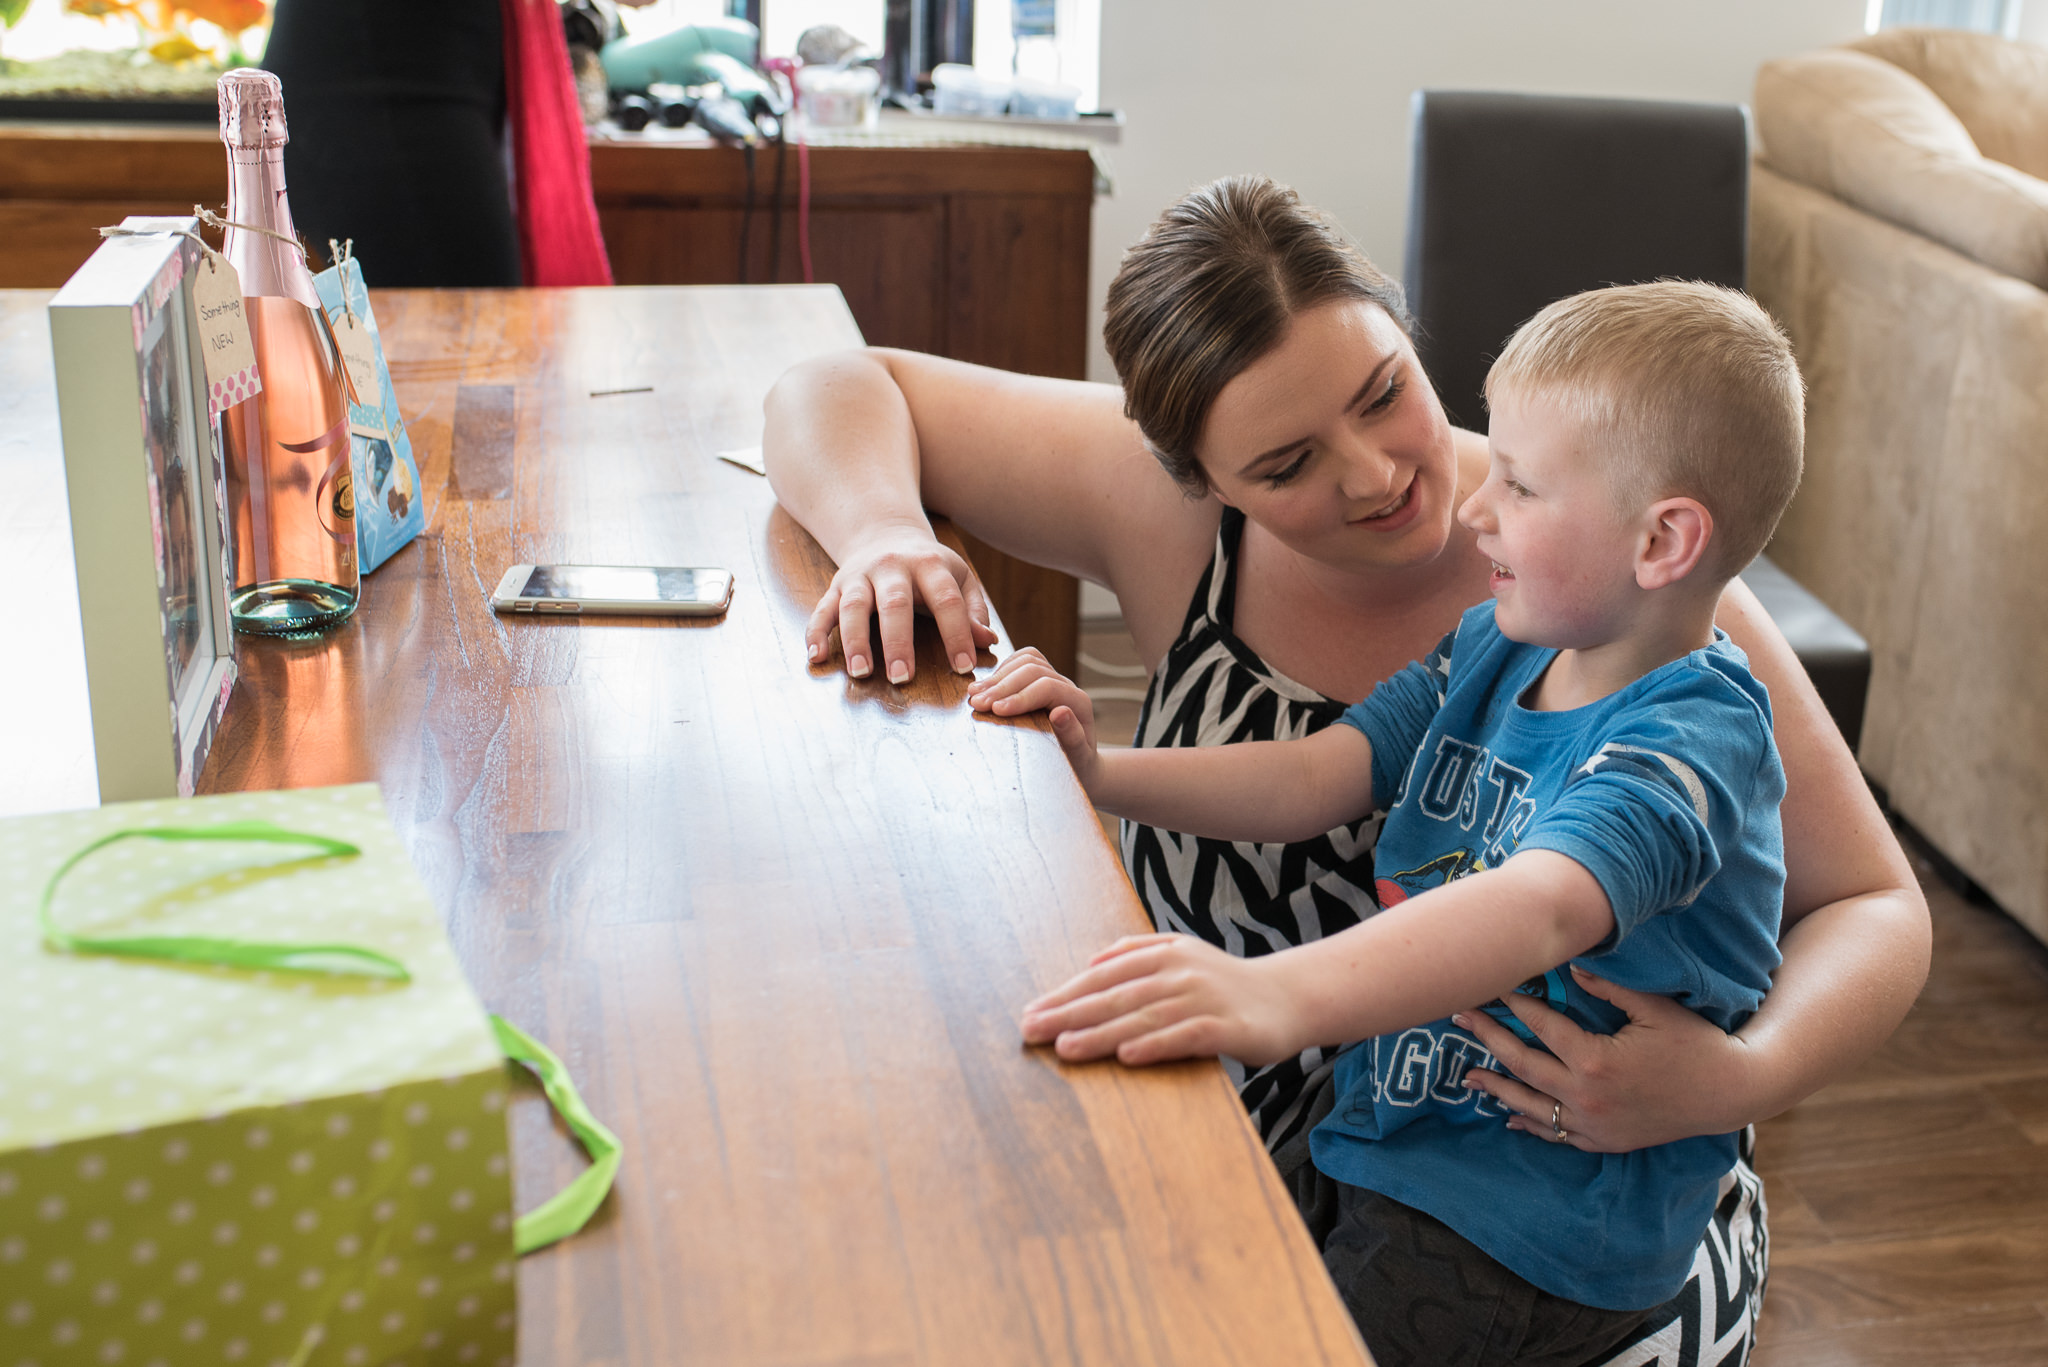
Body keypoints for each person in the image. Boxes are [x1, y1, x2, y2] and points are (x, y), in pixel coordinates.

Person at [761, 176, 1930, 1366]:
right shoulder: (1490, 628)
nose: (1377, 475)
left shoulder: (1632, 595)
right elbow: (835, 384)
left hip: (1560, 1205)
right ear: (1200, 479)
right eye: (1284, 465)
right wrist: (886, 536)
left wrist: (1740, 1073)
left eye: (1385, 393)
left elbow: (1858, 905)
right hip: (1332, 1153)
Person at [982, 280, 1801, 1363]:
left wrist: (1273, 993)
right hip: (1399, 1147)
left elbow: (1541, 904)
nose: (1474, 509)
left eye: (1515, 484)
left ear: (1660, 542)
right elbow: (1319, 772)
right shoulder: (1502, 643)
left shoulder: (1689, 738)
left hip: (1523, 1228)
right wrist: (1097, 770)